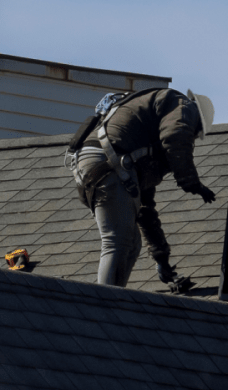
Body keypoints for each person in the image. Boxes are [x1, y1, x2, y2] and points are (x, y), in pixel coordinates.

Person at [66, 88, 216, 293]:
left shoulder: (142, 148)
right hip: (108, 161)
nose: (193, 139)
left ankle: (115, 299)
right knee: (117, 241)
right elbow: (176, 135)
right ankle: (105, 303)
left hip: (101, 164)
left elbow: (144, 209)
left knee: (131, 243)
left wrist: (161, 257)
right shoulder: (182, 105)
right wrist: (192, 183)